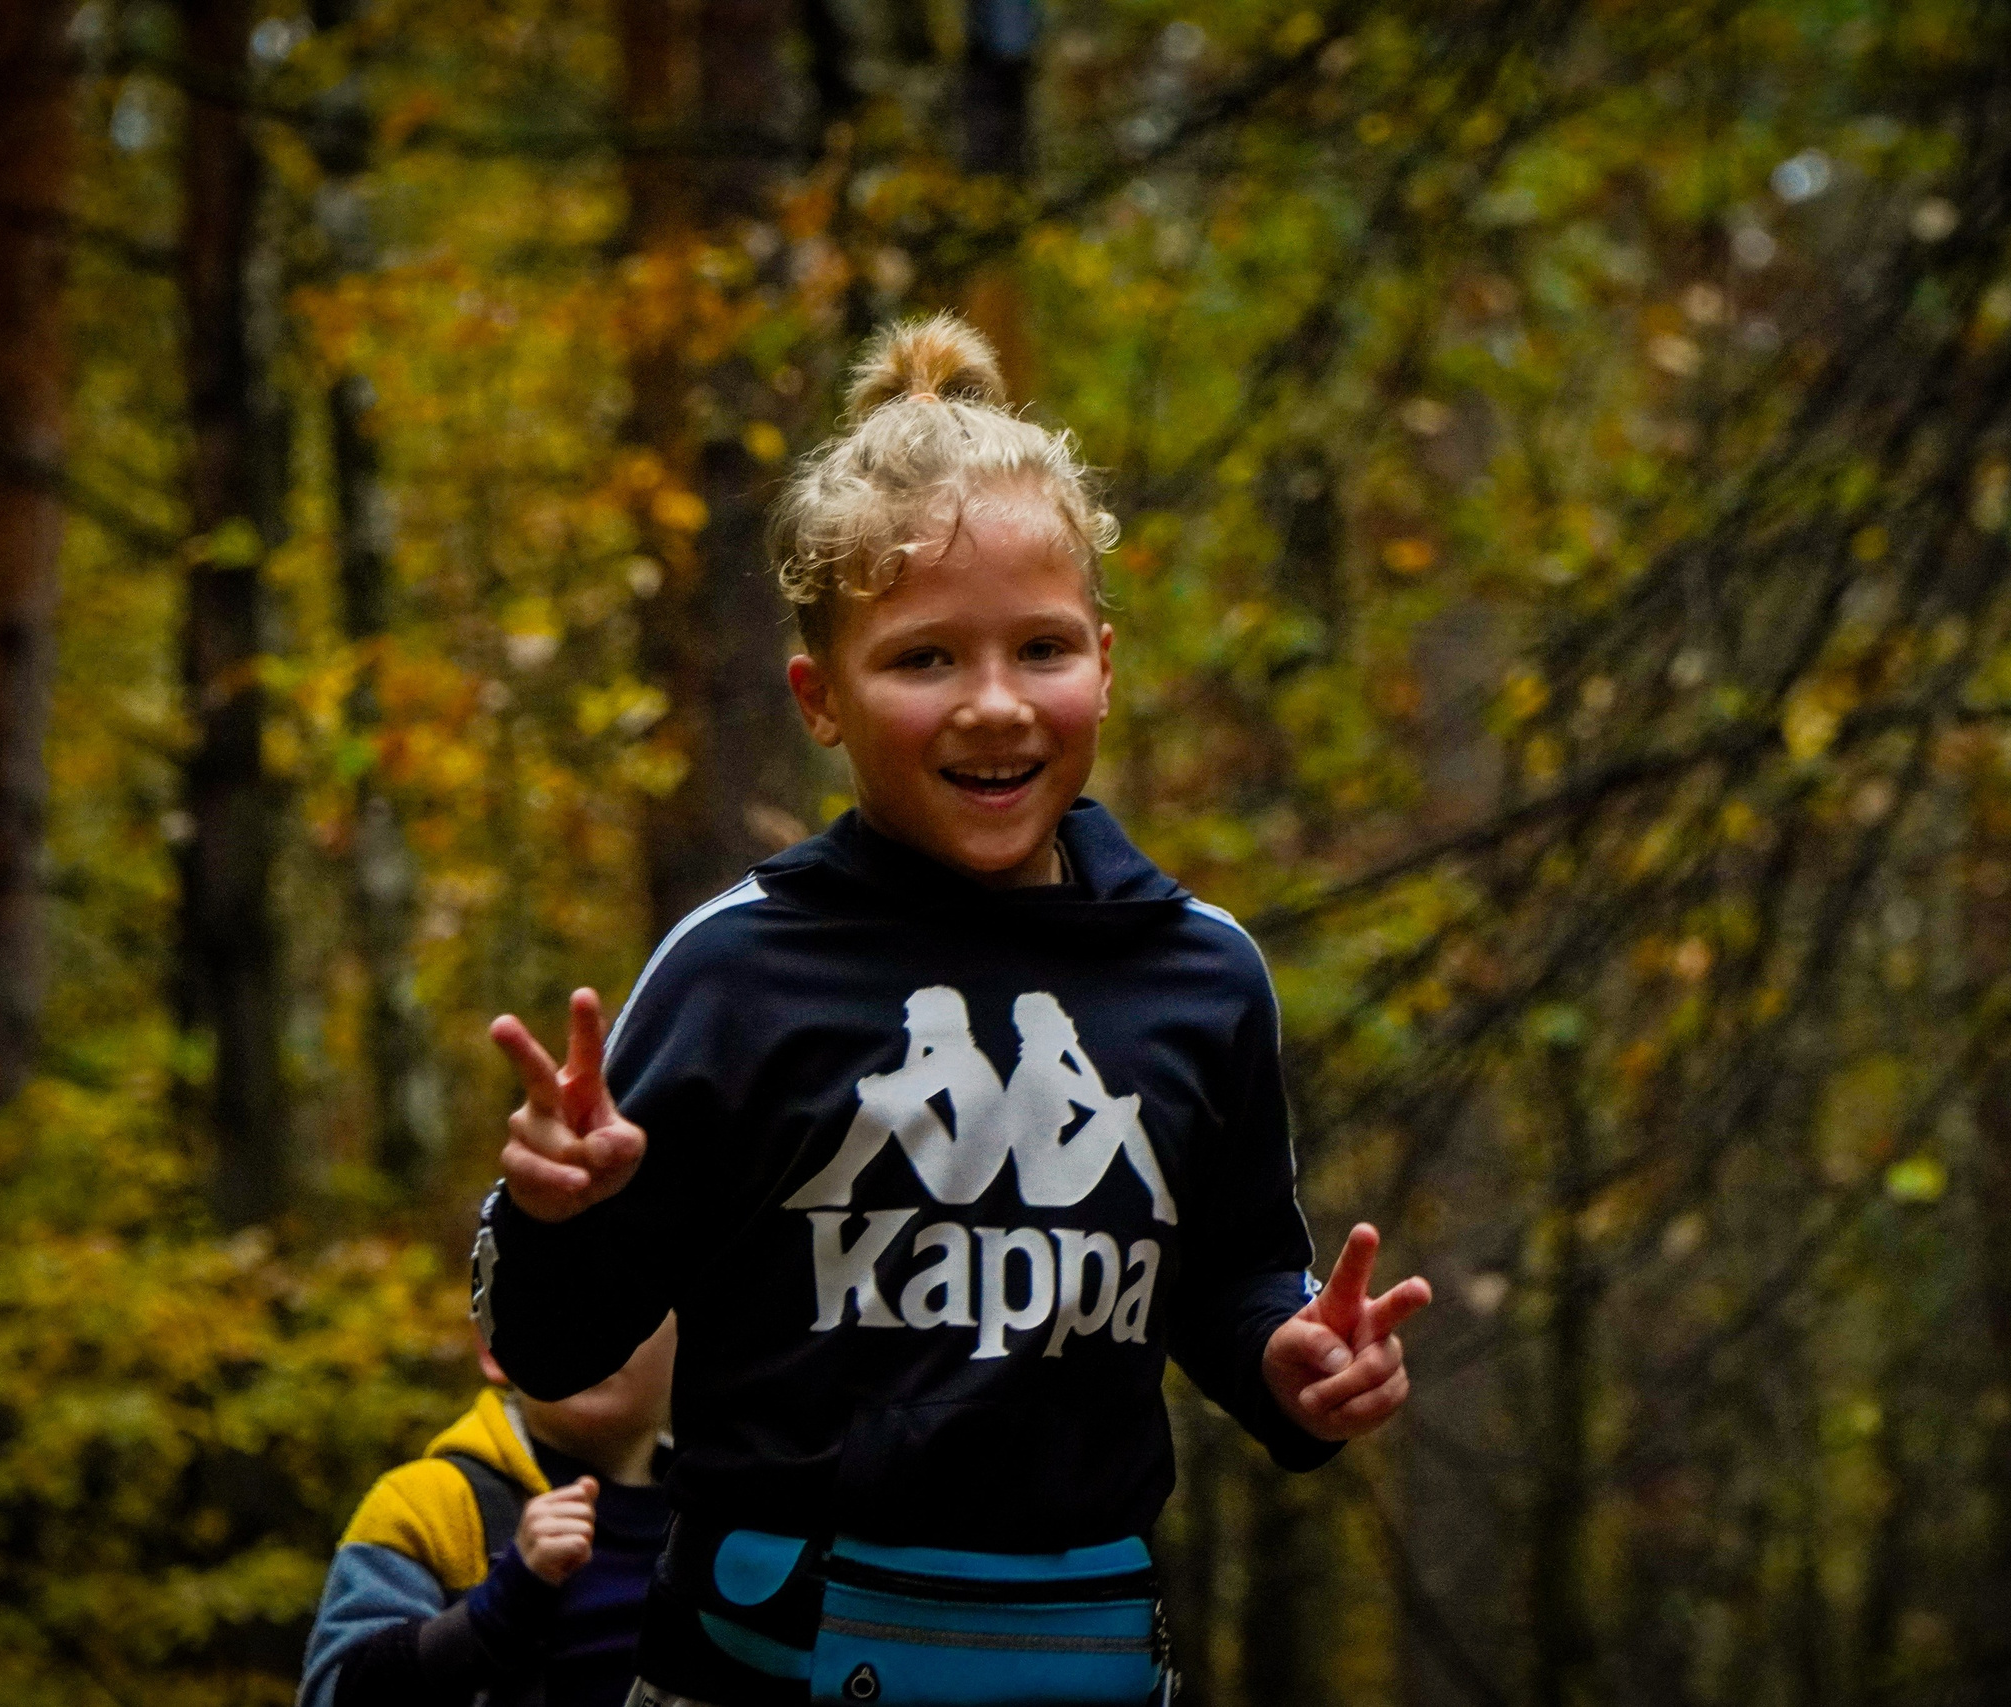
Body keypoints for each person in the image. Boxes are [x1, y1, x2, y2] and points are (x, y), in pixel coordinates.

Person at [473, 313, 1431, 1706]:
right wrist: (561, 1216)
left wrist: (1292, 1363)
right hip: (753, 1670)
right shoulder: (739, 969)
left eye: (1041, 647)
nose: (994, 705)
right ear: (820, 696)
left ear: (1105, 659)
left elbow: (1231, 1276)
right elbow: (560, 1350)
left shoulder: (1200, 970)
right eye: (924, 659)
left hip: (1083, 1662)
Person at [298, 1316, 678, 1707]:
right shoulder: (424, 1507)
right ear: (492, 1347)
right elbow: (332, 1693)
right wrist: (499, 1608)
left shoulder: (725, 1511)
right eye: (554, 1299)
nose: (590, 1330)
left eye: (632, 1300)